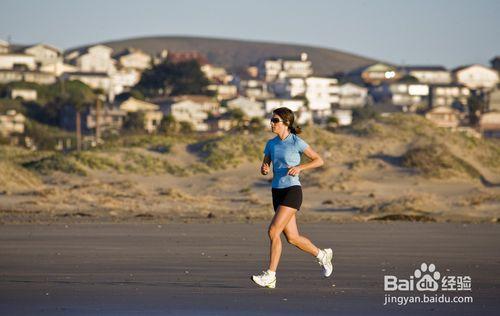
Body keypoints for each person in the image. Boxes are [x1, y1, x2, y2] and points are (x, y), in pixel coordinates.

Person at [251, 107, 333, 289]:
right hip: (277, 192)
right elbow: (266, 163)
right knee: (293, 238)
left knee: (273, 231)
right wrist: (264, 168)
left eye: (275, 120)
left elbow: (319, 160)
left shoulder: (297, 142)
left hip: (292, 191)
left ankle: (270, 275)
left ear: (286, 123)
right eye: (271, 120)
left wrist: (300, 168)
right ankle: (322, 255)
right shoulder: (271, 144)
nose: (271, 123)